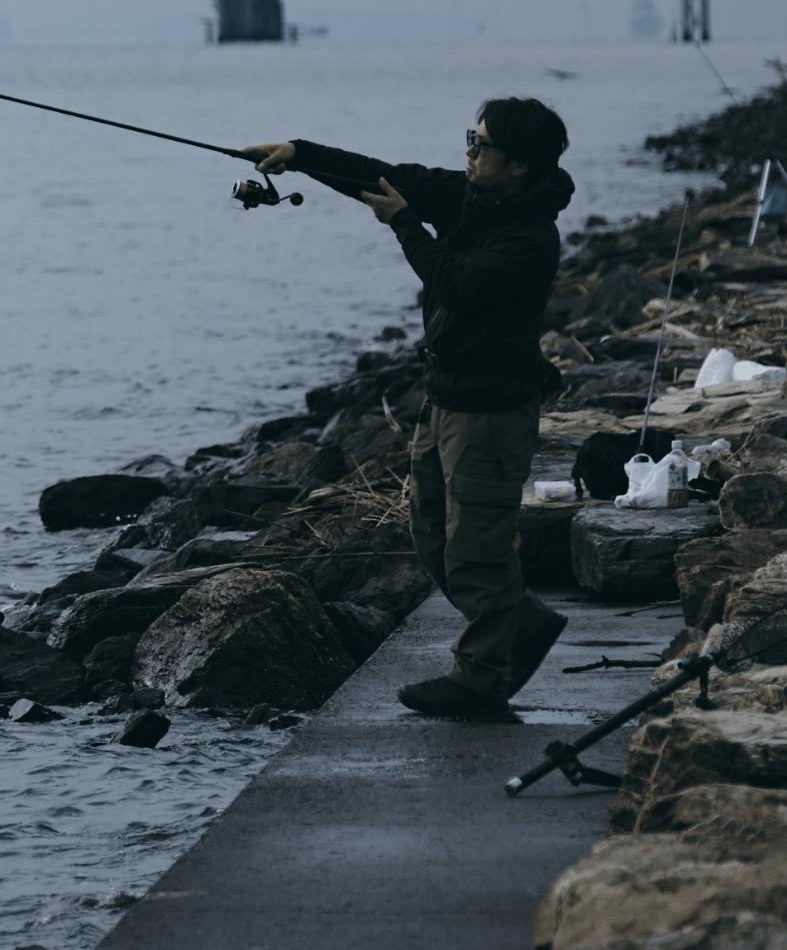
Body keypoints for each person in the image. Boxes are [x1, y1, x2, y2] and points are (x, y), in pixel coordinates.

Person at [241, 100, 574, 716]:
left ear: (520, 164)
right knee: (429, 535)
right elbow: (383, 176)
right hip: (444, 401)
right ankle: (519, 623)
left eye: (480, 145)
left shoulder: (530, 238)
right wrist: (300, 154)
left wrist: (404, 226)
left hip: (492, 413)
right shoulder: (468, 195)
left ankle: (480, 678)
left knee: (478, 551)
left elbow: (455, 283)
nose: (468, 152)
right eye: (469, 140)